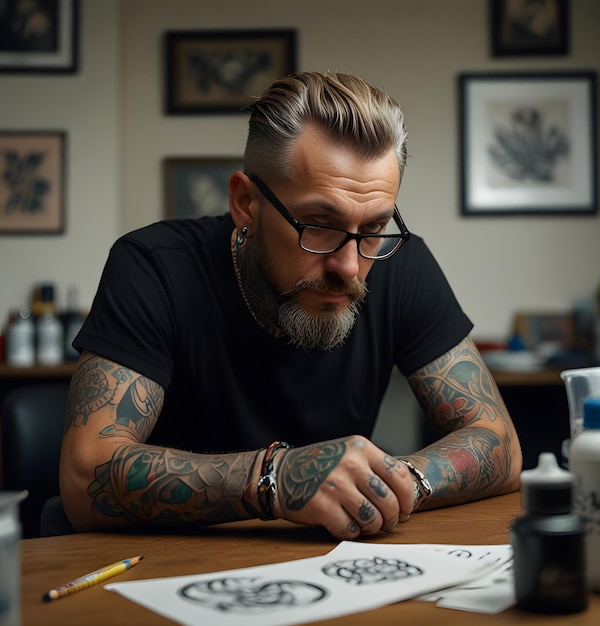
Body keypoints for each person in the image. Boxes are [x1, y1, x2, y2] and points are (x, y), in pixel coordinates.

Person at [60, 71, 522, 539]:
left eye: (374, 228)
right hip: (169, 566)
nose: (349, 265)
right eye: (319, 223)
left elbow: (499, 444)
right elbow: (84, 479)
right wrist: (277, 479)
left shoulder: (398, 265)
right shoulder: (153, 267)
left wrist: (392, 484)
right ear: (246, 203)